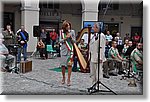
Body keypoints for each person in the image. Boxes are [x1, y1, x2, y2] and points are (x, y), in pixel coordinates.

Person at [59, 20, 76, 86]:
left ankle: (69, 79)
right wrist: (65, 38)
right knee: (63, 65)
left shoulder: (72, 32)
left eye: (69, 25)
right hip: (63, 50)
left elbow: (74, 41)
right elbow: (60, 41)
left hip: (70, 50)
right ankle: (63, 77)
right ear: (64, 27)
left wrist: (71, 37)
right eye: (67, 26)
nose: (68, 27)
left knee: (69, 65)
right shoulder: (61, 32)